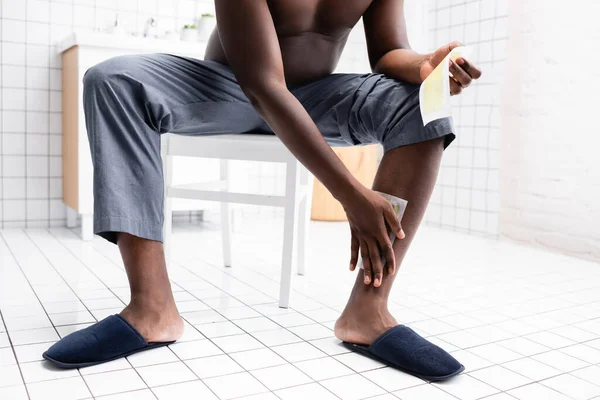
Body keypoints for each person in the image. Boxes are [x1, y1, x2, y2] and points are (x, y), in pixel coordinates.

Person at [43, 0, 481, 380]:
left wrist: (423, 66)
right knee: (112, 79)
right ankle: (151, 310)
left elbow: (387, 52)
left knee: (423, 106)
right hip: (227, 88)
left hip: (313, 95)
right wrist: (351, 194)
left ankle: (368, 312)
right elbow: (263, 84)